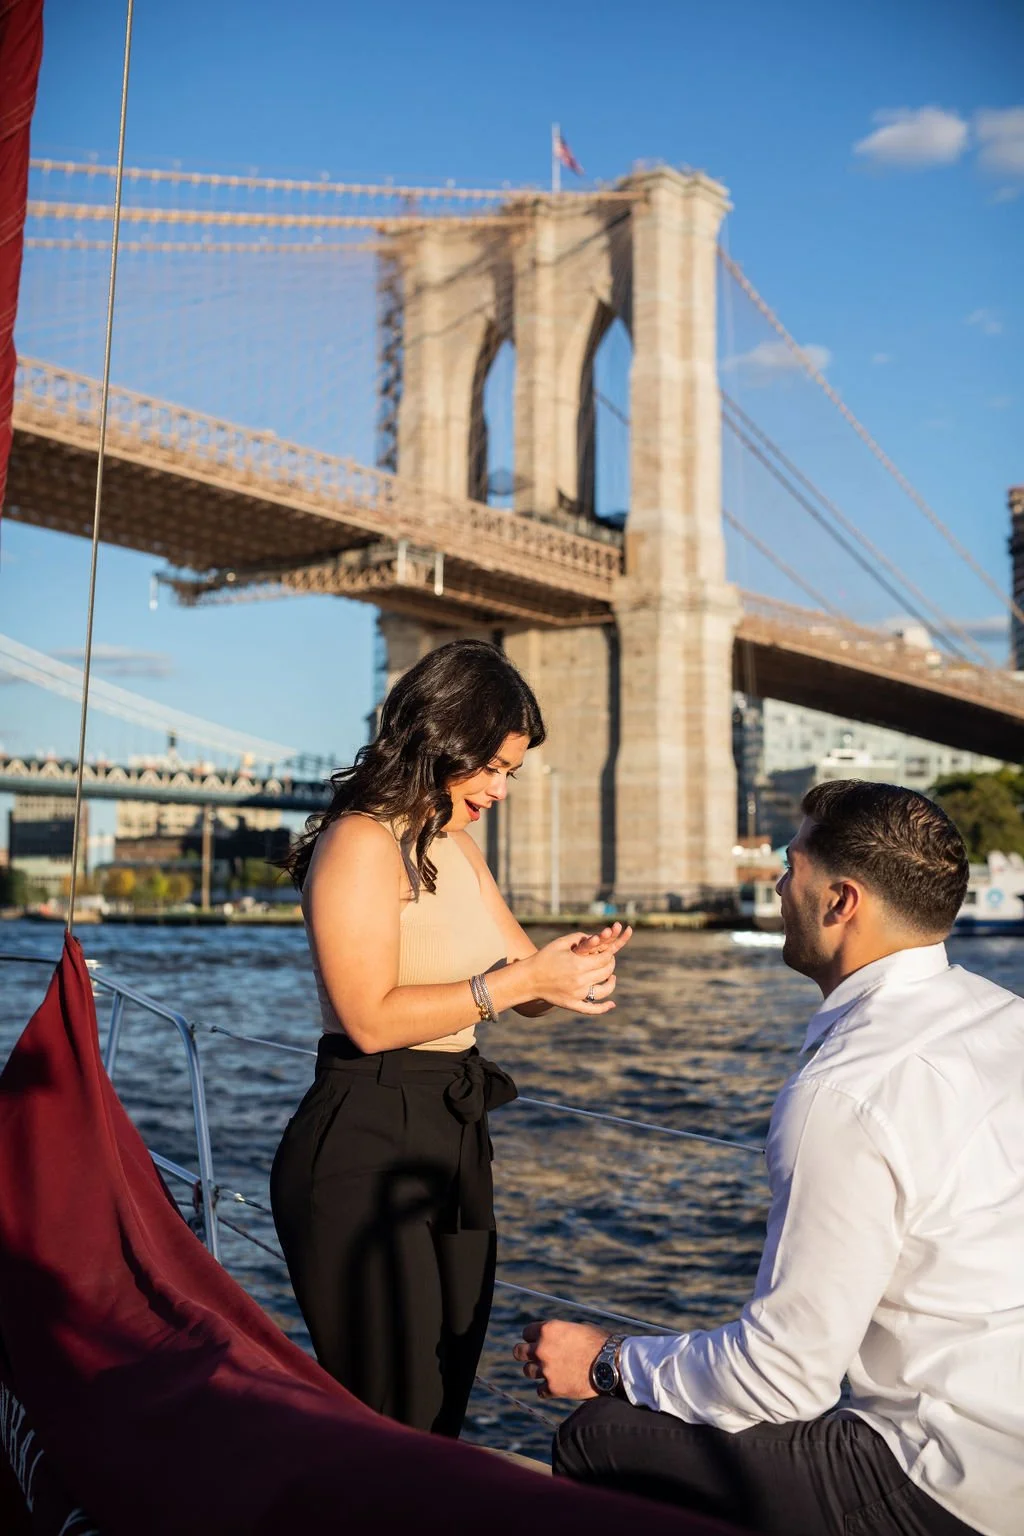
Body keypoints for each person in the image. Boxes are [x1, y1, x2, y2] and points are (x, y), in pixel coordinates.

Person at [514, 780, 1024, 1535]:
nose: (779, 886)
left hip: (951, 1484)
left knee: (599, 1438)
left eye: (791, 867)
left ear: (841, 901)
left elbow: (782, 1379)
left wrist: (605, 1360)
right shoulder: (1003, 1018)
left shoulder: (846, 1093)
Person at [270, 638, 631, 1439]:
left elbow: (517, 980)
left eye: (513, 773)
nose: (501, 790)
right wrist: (521, 984)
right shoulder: (359, 842)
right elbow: (368, 1018)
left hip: (451, 1134)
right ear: (441, 741)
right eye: (492, 768)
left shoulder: (458, 851)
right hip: (365, 1136)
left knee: (442, 1399)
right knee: (387, 1409)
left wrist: (565, 971)